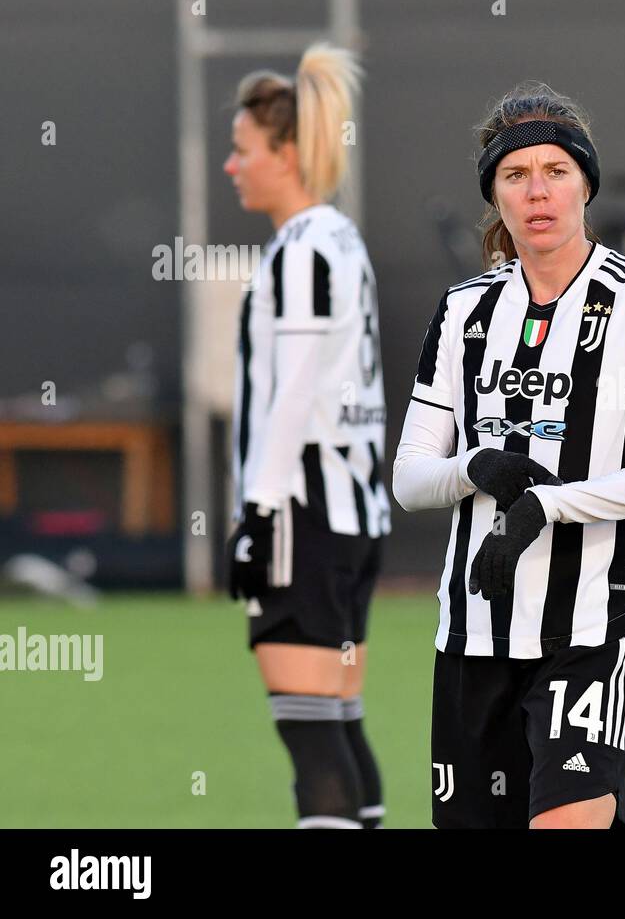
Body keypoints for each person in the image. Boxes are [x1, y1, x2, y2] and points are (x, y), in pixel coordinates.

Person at [392, 82, 625, 829]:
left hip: (595, 628)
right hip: (475, 634)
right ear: (494, 195)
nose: (538, 192)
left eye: (555, 172)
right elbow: (408, 477)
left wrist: (545, 504)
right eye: (516, 175)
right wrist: (476, 469)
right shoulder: (465, 311)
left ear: (585, 185)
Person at [223, 43, 390, 829]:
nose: (232, 165)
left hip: (303, 516)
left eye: (243, 149)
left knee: (309, 736)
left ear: (285, 153)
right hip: (354, 516)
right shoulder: (342, 241)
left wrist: (257, 512)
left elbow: (292, 392)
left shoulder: (301, 250)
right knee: (342, 724)